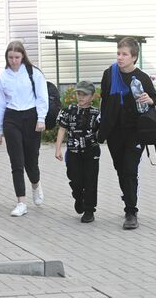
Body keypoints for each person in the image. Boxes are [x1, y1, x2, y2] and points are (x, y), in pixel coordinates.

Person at [98, 37, 156, 230]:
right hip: (114, 132)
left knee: (129, 170)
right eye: (118, 53)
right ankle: (128, 196)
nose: (120, 57)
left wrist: (150, 100)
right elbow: (104, 100)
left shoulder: (141, 77)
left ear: (134, 57)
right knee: (120, 169)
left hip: (135, 131)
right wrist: (101, 124)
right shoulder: (109, 74)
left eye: (124, 54)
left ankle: (131, 211)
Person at [0, 41, 48, 217]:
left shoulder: (34, 73)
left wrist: (41, 118)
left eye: (17, 57)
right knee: (16, 161)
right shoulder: (3, 77)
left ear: (23, 56)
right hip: (12, 118)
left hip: (31, 116)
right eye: (10, 57)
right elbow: (0, 104)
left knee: (31, 160)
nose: (14, 61)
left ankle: (35, 183)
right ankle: (21, 202)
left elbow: (42, 97)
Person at [55, 80, 100, 223]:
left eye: (85, 95)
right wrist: (58, 149)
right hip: (73, 151)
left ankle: (89, 210)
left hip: (91, 151)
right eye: (79, 94)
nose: (81, 97)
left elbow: (102, 132)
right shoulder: (69, 110)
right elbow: (62, 129)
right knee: (76, 180)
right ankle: (78, 196)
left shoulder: (96, 113)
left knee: (90, 181)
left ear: (92, 97)